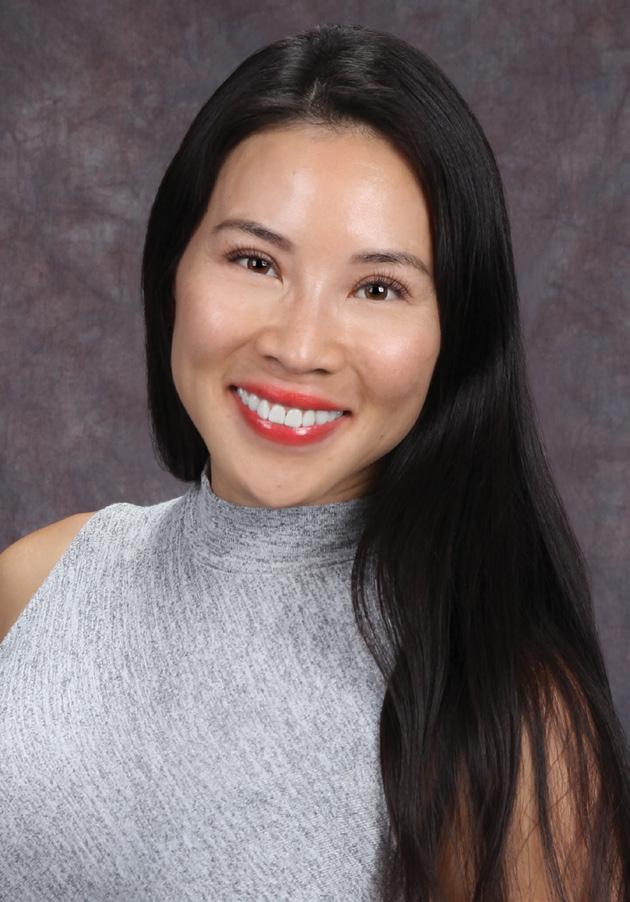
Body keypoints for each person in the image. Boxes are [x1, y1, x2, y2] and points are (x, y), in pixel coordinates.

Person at [1, 22, 628, 902]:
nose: (298, 347)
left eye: (378, 288)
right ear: (172, 268)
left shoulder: (509, 721)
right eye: (255, 260)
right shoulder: (36, 587)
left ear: (455, 334)